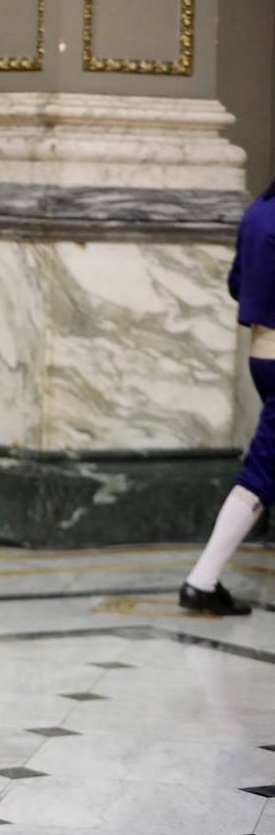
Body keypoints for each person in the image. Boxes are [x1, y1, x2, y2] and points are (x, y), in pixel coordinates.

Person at [178, 177, 275, 617]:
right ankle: (201, 580)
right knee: (260, 474)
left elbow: (238, 284)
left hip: (262, 356)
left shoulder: (259, 212)